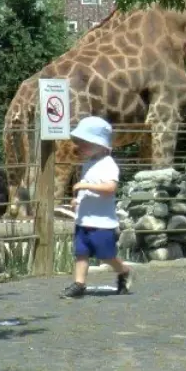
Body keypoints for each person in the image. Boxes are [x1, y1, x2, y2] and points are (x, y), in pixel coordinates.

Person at [61, 116, 132, 298]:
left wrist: (85, 187)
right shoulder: (88, 164)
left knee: (105, 255)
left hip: (102, 221)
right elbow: (86, 184)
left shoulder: (109, 165)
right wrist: (79, 199)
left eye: (85, 143)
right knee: (81, 252)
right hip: (84, 218)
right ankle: (79, 284)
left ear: (99, 144)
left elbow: (110, 188)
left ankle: (123, 270)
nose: (80, 146)